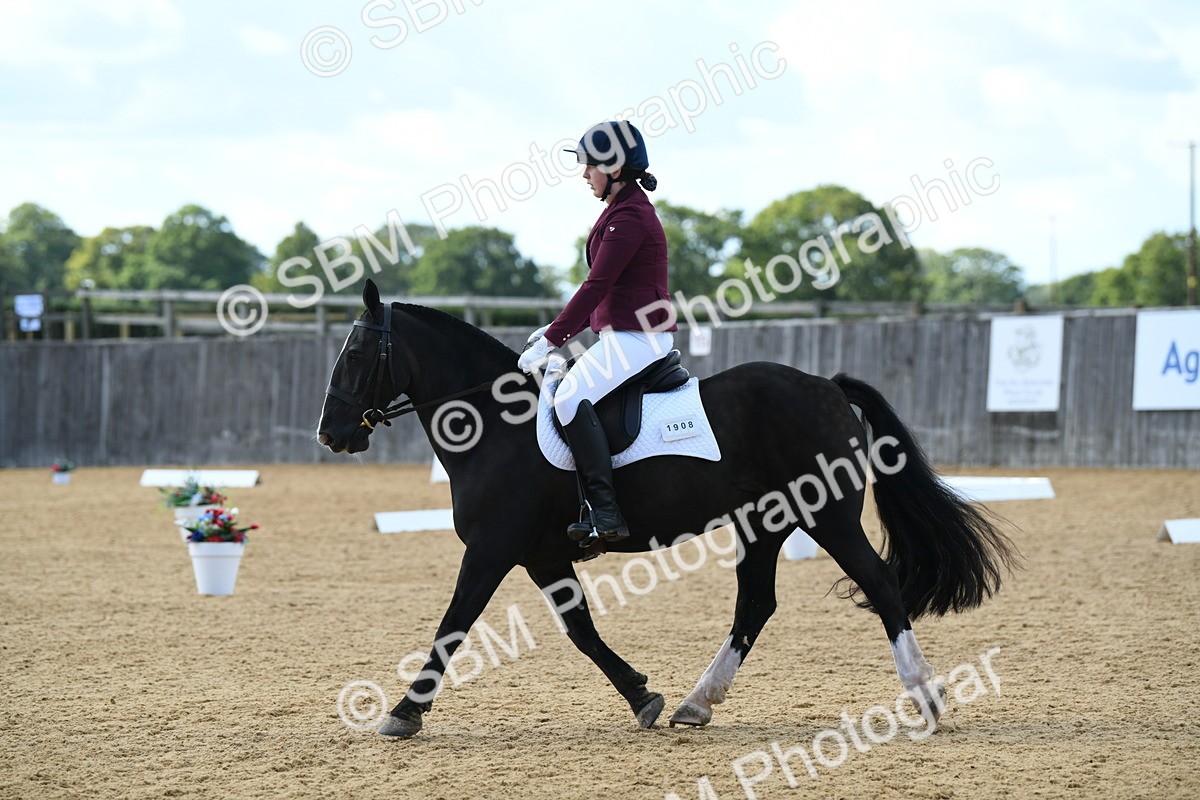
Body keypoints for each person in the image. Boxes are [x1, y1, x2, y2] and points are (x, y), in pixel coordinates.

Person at [517, 120, 677, 544]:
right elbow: (608, 295)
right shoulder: (618, 212)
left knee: (569, 397)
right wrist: (555, 328)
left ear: (615, 168)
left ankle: (606, 514)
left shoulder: (629, 217)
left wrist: (554, 339)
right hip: (624, 334)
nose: (584, 174)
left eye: (590, 166)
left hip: (639, 337)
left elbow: (597, 286)